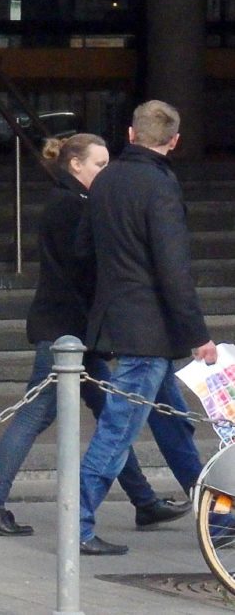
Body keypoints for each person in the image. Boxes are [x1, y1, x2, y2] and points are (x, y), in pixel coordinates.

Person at [0, 133, 191, 536]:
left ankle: (143, 501)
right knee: (36, 416)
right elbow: (84, 267)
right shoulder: (71, 205)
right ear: (76, 165)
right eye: (99, 165)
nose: (105, 173)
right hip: (65, 335)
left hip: (74, 335)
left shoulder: (74, 202)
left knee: (111, 417)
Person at [76, 100, 216, 555]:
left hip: (117, 319)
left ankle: (218, 513)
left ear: (131, 135)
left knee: (174, 426)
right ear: (173, 141)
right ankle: (76, 525)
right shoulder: (160, 186)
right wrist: (198, 334)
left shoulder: (105, 179)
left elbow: (85, 250)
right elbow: (173, 268)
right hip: (149, 330)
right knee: (117, 432)